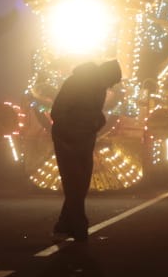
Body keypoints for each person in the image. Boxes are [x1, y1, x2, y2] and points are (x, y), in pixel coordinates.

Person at [50, 59, 122, 241]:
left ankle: (65, 223)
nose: (111, 86)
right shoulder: (79, 83)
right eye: (112, 81)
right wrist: (72, 132)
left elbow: (91, 112)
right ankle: (78, 225)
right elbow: (58, 111)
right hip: (69, 138)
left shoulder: (96, 86)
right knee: (75, 181)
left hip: (82, 137)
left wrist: (96, 123)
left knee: (79, 181)